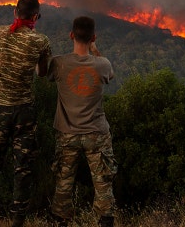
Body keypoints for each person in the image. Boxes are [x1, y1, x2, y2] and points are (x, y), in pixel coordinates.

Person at [0, 0, 51, 227]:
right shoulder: (41, 41)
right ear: (35, 16)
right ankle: (17, 222)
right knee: (22, 170)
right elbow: (42, 73)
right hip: (24, 114)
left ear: (15, 13)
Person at [47, 16, 118, 227]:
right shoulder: (102, 64)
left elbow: (43, 73)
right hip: (97, 134)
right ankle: (105, 221)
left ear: (71, 35)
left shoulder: (59, 63)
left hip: (67, 133)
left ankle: (61, 220)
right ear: (93, 37)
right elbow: (110, 75)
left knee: (63, 182)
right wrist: (95, 50)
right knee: (103, 182)